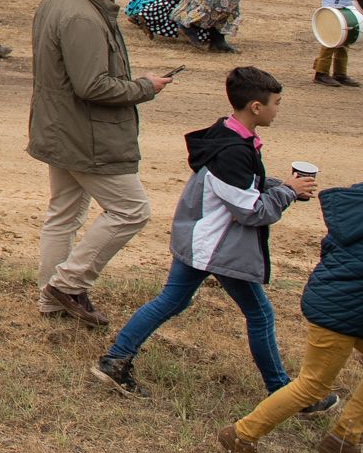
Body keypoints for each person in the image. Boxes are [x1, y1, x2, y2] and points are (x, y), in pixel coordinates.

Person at [94, 67, 323, 406]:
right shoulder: (234, 151)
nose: (279, 109)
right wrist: (287, 192)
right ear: (256, 107)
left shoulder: (226, 135)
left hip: (200, 240)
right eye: (276, 102)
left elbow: (243, 188)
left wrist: (279, 186)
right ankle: (285, 395)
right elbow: (253, 211)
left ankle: (115, 360)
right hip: (217, 247)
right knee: (260, 315)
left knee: (171, 301)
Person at [29, 0, 173, 327]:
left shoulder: (58, 1)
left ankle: (52, 299)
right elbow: (92, 86)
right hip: (86, 133)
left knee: (63, 213)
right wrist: (145, 87)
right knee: (132, 210)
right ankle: (67, 283)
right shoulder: (83, 18)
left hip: (60, 126)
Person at [219, 175, 363, 453]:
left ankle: (345, 439)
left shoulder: (354, 207)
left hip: (336, 300)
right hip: (342, 312)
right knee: (313, 384)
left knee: (313, 382)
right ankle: (241, 435)